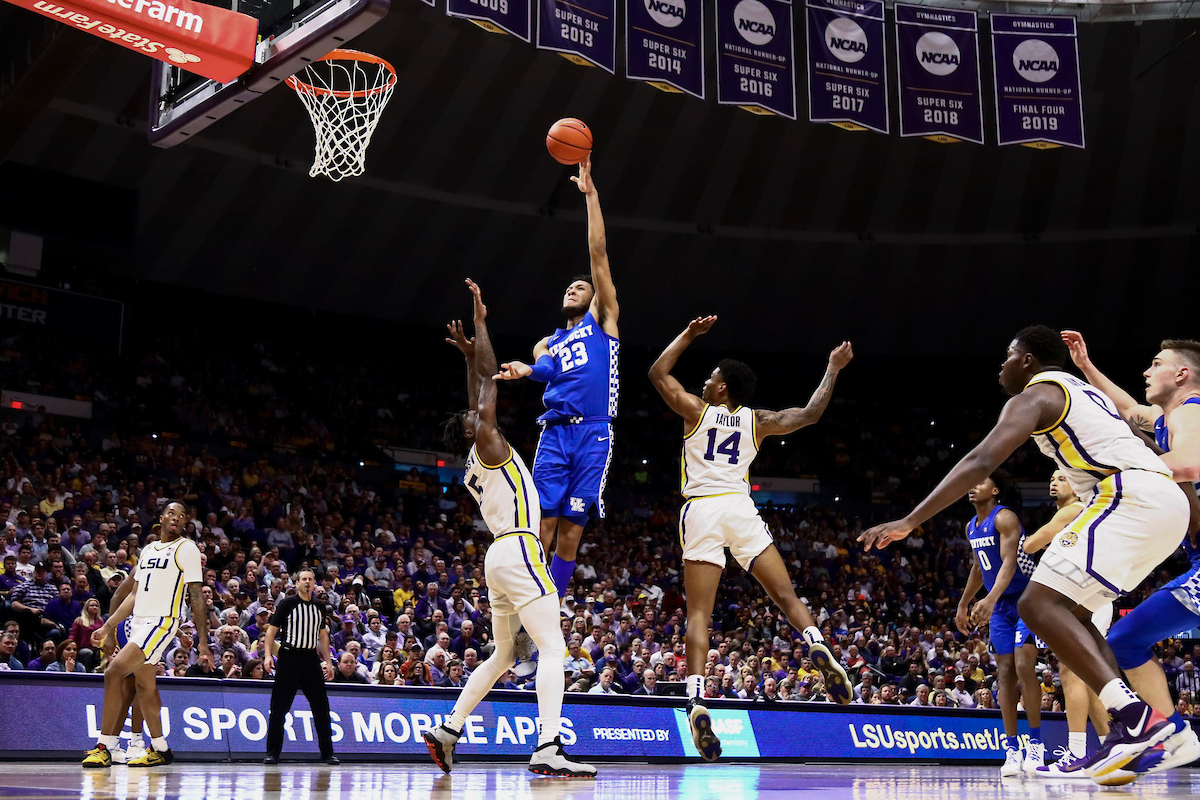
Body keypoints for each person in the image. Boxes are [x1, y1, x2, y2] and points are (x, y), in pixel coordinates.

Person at [860, 325, 1193, 786]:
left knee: (1037, 605)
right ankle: (1162, 730)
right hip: (1162, 503)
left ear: (1030, 361)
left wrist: (910, 520)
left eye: (1008, 356)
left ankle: (1137, 718)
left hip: (1127, 498)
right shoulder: (1086, 394)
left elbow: (980, 461)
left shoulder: (1039, 394)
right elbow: (1149, 447)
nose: (1002, 365)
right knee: (1071, 613)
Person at [647, 314, 854, 762]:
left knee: (699, 613)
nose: (704, 381)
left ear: (722, 388)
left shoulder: (696, 412)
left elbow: (657, 374)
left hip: (701, 509)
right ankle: (817, 644)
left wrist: (687, 334)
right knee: (784, 594)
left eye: (710, 377)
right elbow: (811, 413)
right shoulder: (758, 422)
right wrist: (833, 368)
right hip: (740, 508)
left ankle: (697, 698)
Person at [424, 279, 595, 777]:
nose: (479, 415)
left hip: (497, 559)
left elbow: (477, 391)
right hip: (519, 551)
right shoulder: (490, 443)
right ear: (473, 429)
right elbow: (487, 386)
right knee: (553, 647)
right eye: (475, 418)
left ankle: (448, 728)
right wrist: (481, 323)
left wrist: (467, 356)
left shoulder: (475, 458)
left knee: (502, 653)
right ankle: (547, 746)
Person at [1063, 332, 1200, 775]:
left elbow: (1191, 464)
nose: (1146, 371)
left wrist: (1128, 467)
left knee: (1124, 640)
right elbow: (1127, 409)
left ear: (1182, 374)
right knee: (1124, 641)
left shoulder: (1193, 411)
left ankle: (1176, 737)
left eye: (1156, 363)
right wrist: (1086, 367)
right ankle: (1176, 737)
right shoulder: (1169, 416)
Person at [494, 157, 619, 599]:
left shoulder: (603, 322)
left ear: (593, 299)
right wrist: (528, 369)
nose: (573, 288)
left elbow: (598, 253)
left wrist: (591, 196)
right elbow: (545, 369)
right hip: (554, 436)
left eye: (580, 287)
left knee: (570, 533)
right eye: (569, 287)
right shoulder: (546, 342)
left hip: (594, 434)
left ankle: (554, 609)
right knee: (542, 525)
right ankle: (530, 603)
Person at [84, 501, 208, 768]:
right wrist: (107, 626)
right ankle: (161, 748)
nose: (176, 518)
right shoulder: (149, 550)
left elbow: (196, 595)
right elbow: (132, 595)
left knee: (114, 671)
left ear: (186, 523)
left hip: (162, 622)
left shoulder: (186, 548)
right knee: (145, 686)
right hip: (139, 622)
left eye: (182, 516)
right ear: (161, 517)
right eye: (171, 513)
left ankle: (105, 745)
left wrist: (204, 643)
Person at [1025, 470, 1112, 778]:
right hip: (1087, 595)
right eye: (1051, 477)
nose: (1053, 481)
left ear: (1077, 487)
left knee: (1070, 670)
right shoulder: (1072, 514)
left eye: (1062, 478)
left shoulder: (1073, 510)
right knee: (1085, 678)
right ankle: (1110, 747)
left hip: (1085, 596)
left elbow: (1031, 544)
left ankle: (1076, 753)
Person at [958, 469, 1043, 775]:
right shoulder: (971, 526)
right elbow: (980, 568)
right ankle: (1012, 748)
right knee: (1004, 673)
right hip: (1001, 606)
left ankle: (1036, 744)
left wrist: (989, 599)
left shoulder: (1004, 517)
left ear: (995, 491)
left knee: (1023, 666)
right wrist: (964, 602)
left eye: (980, 481)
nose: (972, 485)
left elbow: (1008, 562)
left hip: (1027, 601)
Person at [262, 569, 338, 765]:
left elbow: (322, 635)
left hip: (311, 659)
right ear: (297, 583)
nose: (307, 582)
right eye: (303, 579)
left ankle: (327, 753)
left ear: (314, 584)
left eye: (310, 579)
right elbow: (271, 631)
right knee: (279, 708)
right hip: (289, 658)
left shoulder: (320, 606)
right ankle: (272, 752)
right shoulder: (287, 603)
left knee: (321, 707)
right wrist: (268, 655)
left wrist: (328, 662)